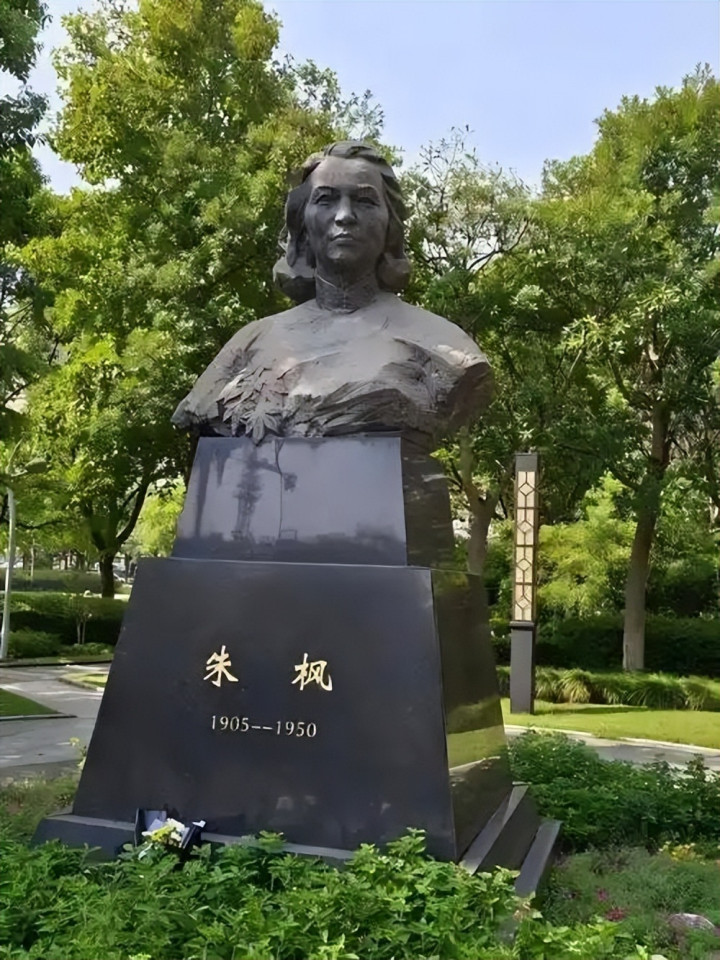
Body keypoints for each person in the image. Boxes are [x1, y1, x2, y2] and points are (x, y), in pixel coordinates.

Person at [172, 141, 492, 450]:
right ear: (302, 223)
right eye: (325, 199)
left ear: (390, 226)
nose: (344, 216)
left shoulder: (443, 346)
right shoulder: (251, 342)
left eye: (365, 201)